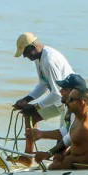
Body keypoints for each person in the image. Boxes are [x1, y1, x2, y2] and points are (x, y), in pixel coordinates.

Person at [12, 32, 75, 166]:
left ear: (32, 47)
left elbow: (57, 93)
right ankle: (28, 157)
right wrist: (26, 99)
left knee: (63, 140)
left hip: (68, 103)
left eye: (25, 53)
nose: (25, 57)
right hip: (57, 101)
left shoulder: (49, 60)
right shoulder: (38, 59)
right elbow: (43, 83)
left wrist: (36, 106)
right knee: (30, 116)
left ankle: (62, 163)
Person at [29, 74, 88, 167]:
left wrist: (42, 135)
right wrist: (51, 153)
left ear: (74, 91)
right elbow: (70, 135)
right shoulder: (71, 105)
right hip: (84, 157)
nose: (60, 91)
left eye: (64, 89)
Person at [49, 88, 88, 170]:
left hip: (86, 172)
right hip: (76, 165)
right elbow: (79, 145)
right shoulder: (78, 118)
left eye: (71, 99)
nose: (67, 102)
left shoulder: (87, 127)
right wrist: (63, 155)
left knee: (51, 168)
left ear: (82, 102)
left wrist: (69, 160)